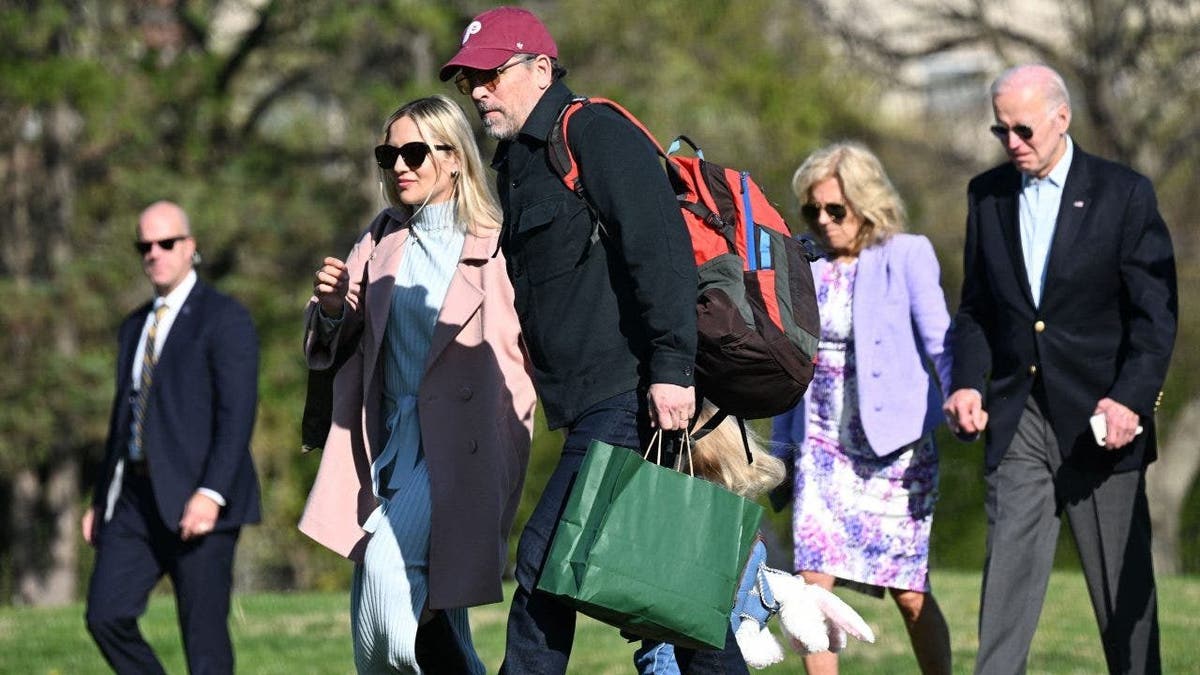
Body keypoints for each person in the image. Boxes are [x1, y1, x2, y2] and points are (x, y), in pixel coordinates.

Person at [440, 6, 747, 674]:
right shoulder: (520, 164)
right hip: (590, 401)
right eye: (470, 82)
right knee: (675, 582)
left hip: (632, 390)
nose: (479, 92)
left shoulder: (594, 132)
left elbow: (659, 252)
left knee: (546, 557)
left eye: (491, 74)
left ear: (540, 68)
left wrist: (672, 367)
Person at [943, 63, 1177, 675]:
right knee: (1004, 605)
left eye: (1023, 129)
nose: (1012, 143)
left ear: (1061, 118)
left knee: (1125, 609)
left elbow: (1155, 317)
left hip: (1102, 424)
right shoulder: (986, 195)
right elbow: (975, 312)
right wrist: (967, 381)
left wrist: (1130, 398)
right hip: (1019, 419)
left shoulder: (1124, 193)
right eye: (1001, 131)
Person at [298, 94, 536, 673]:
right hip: (392, 441)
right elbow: (339, 336)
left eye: (413, 152)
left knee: (386, 565)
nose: (398, 166)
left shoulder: (499, 244)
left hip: (466, 445)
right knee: (430, 601)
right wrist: (331, 308)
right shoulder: (380, 239)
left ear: (454, 157)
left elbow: (530, 350)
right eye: (389, 154)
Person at [772, 142, 954, 675]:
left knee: (910, 592)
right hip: (821, 446)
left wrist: (963, 397)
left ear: (866, 202)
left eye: (836, 209)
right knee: (811, 590)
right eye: (812, 211)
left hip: (895, 452)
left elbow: (942, 340)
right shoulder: (805, 263)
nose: (824, 222)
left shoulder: (907, 254)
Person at [82, 200, 261, 674]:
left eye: (167, 243)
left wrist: (211, 493)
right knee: (105, 615)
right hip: (136, 500)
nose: (154, 253)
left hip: (202, 498)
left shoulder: (225, 318)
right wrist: (102, 500)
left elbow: (237, 414)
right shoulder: (134, 325)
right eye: (145, 245)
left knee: (204, 644)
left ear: (191, 247)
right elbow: (123, 418)